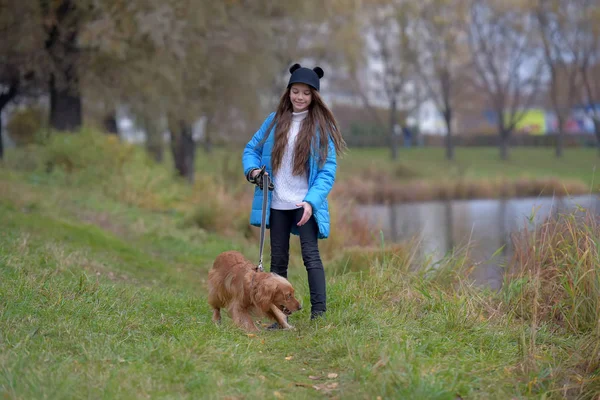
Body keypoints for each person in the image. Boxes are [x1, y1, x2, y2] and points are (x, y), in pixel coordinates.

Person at [242, 63, 346, 327]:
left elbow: (327, 171)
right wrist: (253, 171)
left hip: (303, 203)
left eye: (306, 93)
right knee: (278, 260)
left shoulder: (321, 129)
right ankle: (279, 318)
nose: (299, 97)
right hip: (277, 202)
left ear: (314, 97)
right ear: (288, 92)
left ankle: (319, 315)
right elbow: (251, 149)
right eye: (295, 91)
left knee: (311, 257)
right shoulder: (274, 120)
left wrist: (311, 202)